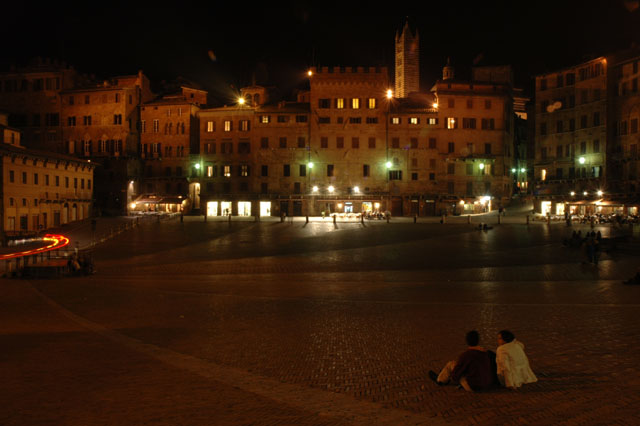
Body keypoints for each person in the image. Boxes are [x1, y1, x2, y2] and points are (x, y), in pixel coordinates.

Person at [428, 330, 493, 392]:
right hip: (486, 384)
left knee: (451, 364)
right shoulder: (485, 353)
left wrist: (454, 373)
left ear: (467, 341)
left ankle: (440, 380)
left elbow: (455, 375)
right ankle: (443, 375)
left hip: (473, 386)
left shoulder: (467, 355)